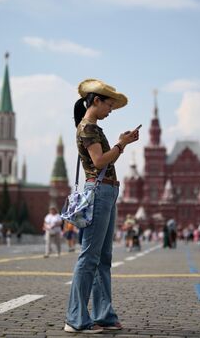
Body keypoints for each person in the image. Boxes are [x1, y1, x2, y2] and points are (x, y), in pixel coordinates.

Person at [64, 78, 138, 334]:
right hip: (99, 193)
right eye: (109, 105)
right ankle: (75, 318)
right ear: (96, 101)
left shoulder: (94, 128)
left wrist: (119, 142)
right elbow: (98, 161)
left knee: (103, 258)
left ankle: (104, 315)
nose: (110, 111)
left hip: (107, 192)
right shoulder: (88, 129)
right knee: (89, 257)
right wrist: (122, 144)